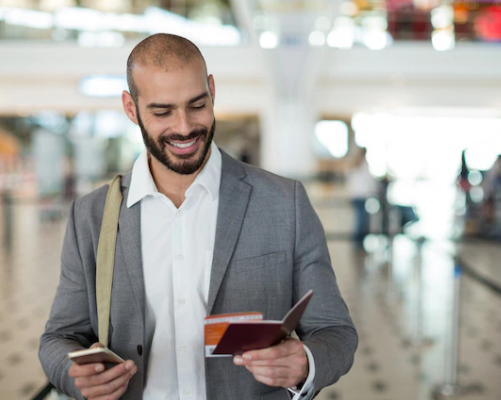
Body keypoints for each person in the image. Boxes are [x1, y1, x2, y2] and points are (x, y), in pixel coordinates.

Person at [39, 33, 357, 400]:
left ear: (212, 91)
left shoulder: (286, 203)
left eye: (197, 105)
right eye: (162, 112)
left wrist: (306, 362)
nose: (185, 126)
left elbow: (335, 331)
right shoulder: (91, 216)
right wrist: (76, 373)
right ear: (131, 108)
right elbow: (58, 338)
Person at [346, 147, 378, 249]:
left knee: (359, 219)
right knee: (361, 219)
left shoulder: (354, 164)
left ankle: (358, 241)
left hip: (356, 195)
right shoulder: (363, 164)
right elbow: (368, 181)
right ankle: (358, 242)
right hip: (361, 196)